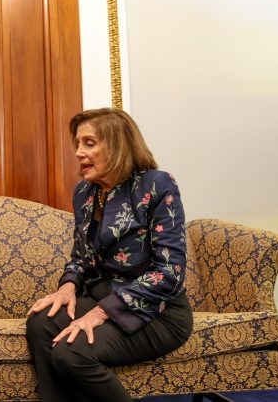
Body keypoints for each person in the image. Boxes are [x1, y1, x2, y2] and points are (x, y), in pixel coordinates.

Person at [26, 108, 193, 402]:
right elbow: (81, 257)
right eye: (78, 144)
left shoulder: (157, 184)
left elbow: (170, 272)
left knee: (72, 353)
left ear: (117, 145)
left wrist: (100, 313)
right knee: (42, 321)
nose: (78, 152)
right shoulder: (84, 192)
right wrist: (67, 287)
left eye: (89, 143)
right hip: (103, 296)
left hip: (157, 310)